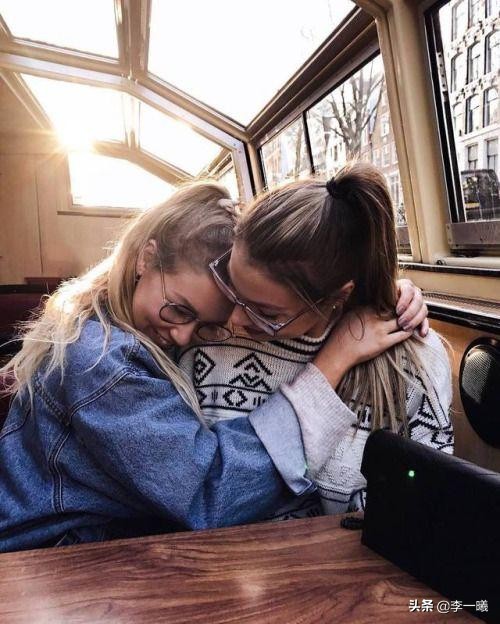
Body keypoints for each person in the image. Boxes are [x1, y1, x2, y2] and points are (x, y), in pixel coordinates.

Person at [0, 181, 419, 553]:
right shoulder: (102, 362)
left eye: (206, 326)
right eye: (180, 309)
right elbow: (212, 493)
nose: (184, 336)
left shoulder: (116, 325)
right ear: (146, 258)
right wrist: (333, 362)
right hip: (50, 558)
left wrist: (380, 295)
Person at [179, 162, 453, 517]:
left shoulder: (417, 362)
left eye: (266, 313)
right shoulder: (202, 346)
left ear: (338, 297)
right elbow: (197, 495)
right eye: (231, 287)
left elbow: (431, 498)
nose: (233, 320)